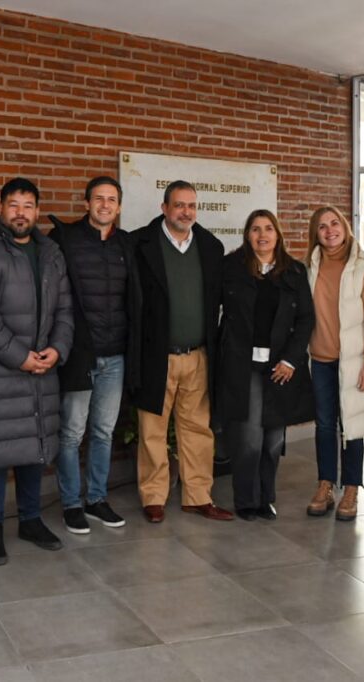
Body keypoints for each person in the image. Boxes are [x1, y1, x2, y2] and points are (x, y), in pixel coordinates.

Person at [0, 177, 73, 566]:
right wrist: (19, 355)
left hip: (43, 365)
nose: (20, 212)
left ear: (37, 211)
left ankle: (30, 519)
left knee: (35, 447)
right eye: (13, 204)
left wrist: (57, 350)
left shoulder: (52, 252)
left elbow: (65, 309)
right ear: (0, 208)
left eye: (28, 205)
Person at [131, 180, 231, 523]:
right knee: (152, 430)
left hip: (198, 355)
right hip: (155, 355)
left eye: (191, 205)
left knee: (197, 430)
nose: (186, 211)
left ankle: (198, 495)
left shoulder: (210, 246)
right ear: (164, 208)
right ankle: (154, 496)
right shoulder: (140, 244)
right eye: (179, 205)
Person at [47, 176, 137, 534]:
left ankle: (96, 499)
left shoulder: (126, 244)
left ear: (119, 206)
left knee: (103, 431)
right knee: (70, 433)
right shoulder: (65, 239)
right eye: (98, 198)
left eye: (111, 199)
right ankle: (71, 503)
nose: (104, 205)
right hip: (79, 355)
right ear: (86, 203)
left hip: (115, 356)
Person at [217, 210, 315, 521]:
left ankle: (266, 498)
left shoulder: (295, 272)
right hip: (242, 364)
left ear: (277, 234)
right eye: (256, 229)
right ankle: (246, 500)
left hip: (280, 365)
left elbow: (305, 319)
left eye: (268, 228)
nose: (262, 235)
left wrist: (291, 359)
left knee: (273, 437)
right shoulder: (231, 268)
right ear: (247, 234)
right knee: (249, 437)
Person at [304, 206, 364, 521]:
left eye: (335, 223)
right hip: (321, 360)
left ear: (345, 227)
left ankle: (351, 489)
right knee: (324, 425)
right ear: (316, 233)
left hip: (354, 362)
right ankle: (325, 484)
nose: (330, 230)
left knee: (353, 426)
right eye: (322, 226)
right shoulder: (308, 266)